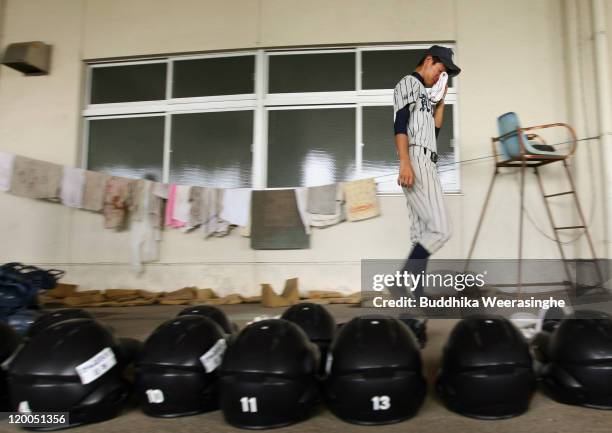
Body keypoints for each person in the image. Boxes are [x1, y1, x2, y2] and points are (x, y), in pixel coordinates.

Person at [391, 45, 461, 303]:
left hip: (426, 160)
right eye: (439, 70)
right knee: (442, 229)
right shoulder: (408, 83)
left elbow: (434, 132)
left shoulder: (424, 93)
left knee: (424, 236)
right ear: (429, 60)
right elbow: (399, 123)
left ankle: (417, 296)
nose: (439, 76)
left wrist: (440, 101)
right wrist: (405, 162)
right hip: (416, 161)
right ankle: (400, 282)